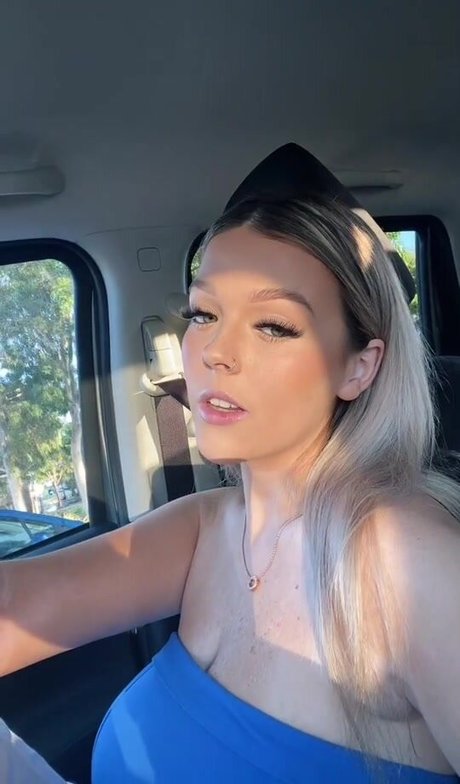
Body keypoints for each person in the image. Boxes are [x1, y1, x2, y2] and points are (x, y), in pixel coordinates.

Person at [1, 150, 460, 783]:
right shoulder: (203, 527)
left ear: (359, 367)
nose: (216, 350)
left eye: (273, 325)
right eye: (204, 314)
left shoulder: (408, 561)